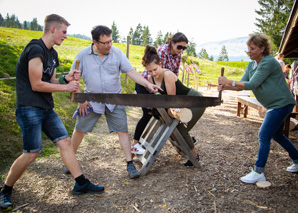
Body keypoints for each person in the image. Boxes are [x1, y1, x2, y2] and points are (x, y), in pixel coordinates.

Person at [0, 14, 104, 212]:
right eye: (64, 32)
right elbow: (37, 84)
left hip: (46, 108)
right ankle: (5, 190)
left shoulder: (52, 54)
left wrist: (66, 78)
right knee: (31, 154)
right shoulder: (35, 49)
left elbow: (51, 82)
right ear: (53, 29)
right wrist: (68, 88)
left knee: (65, 142)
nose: (66, 36)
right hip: (29, 107)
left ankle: (80, 182)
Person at [65, 25, 160, 179]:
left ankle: (130, 163)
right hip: (91, 100)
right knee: (79, 129)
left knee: (122, 130)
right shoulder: (82, 56)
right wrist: (80, 97)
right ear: (95, 43)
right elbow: (73, 78)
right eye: (105, 43)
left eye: (111, 41)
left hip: (115, 99)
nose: (110, 45)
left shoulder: (117, 53)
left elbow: (130, 72)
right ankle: (70, 161)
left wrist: (148, 84)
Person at [218, 33, 298, 184]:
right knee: (278, 136)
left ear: (262, 48)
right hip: (275, 105)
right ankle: (297, 160)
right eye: (248, 48)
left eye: (252, 48)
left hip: (281, 103)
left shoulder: (268, 62)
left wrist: (228, 80)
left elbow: (252, 84)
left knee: (264, 135)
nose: (249, 51)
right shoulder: (251, 64)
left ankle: (258, 171)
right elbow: (241, 86)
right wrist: (225, 86)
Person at [139, 45, 206, 166]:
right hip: (182, 104)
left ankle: (195, 158)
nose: (153, 73)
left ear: (160, 64)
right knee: (174, 129)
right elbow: (160, 97)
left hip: (195, 101)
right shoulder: (150, 78)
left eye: (155, 69)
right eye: (150, 71)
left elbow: (172, 101)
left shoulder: (168, 75)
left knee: (181, 130)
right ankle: (189, 147)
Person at [132, 32, 197, 154]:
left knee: (160, 113)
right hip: (145, 84)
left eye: (184, 48)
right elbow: (159, 74)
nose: (181, 50)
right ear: (172, 43)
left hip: (156, 86)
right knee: (149, 113)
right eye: (179, 47)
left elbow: (173, 75)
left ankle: (179, 136)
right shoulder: (162, 51)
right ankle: (135, 144)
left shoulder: (177, 56)